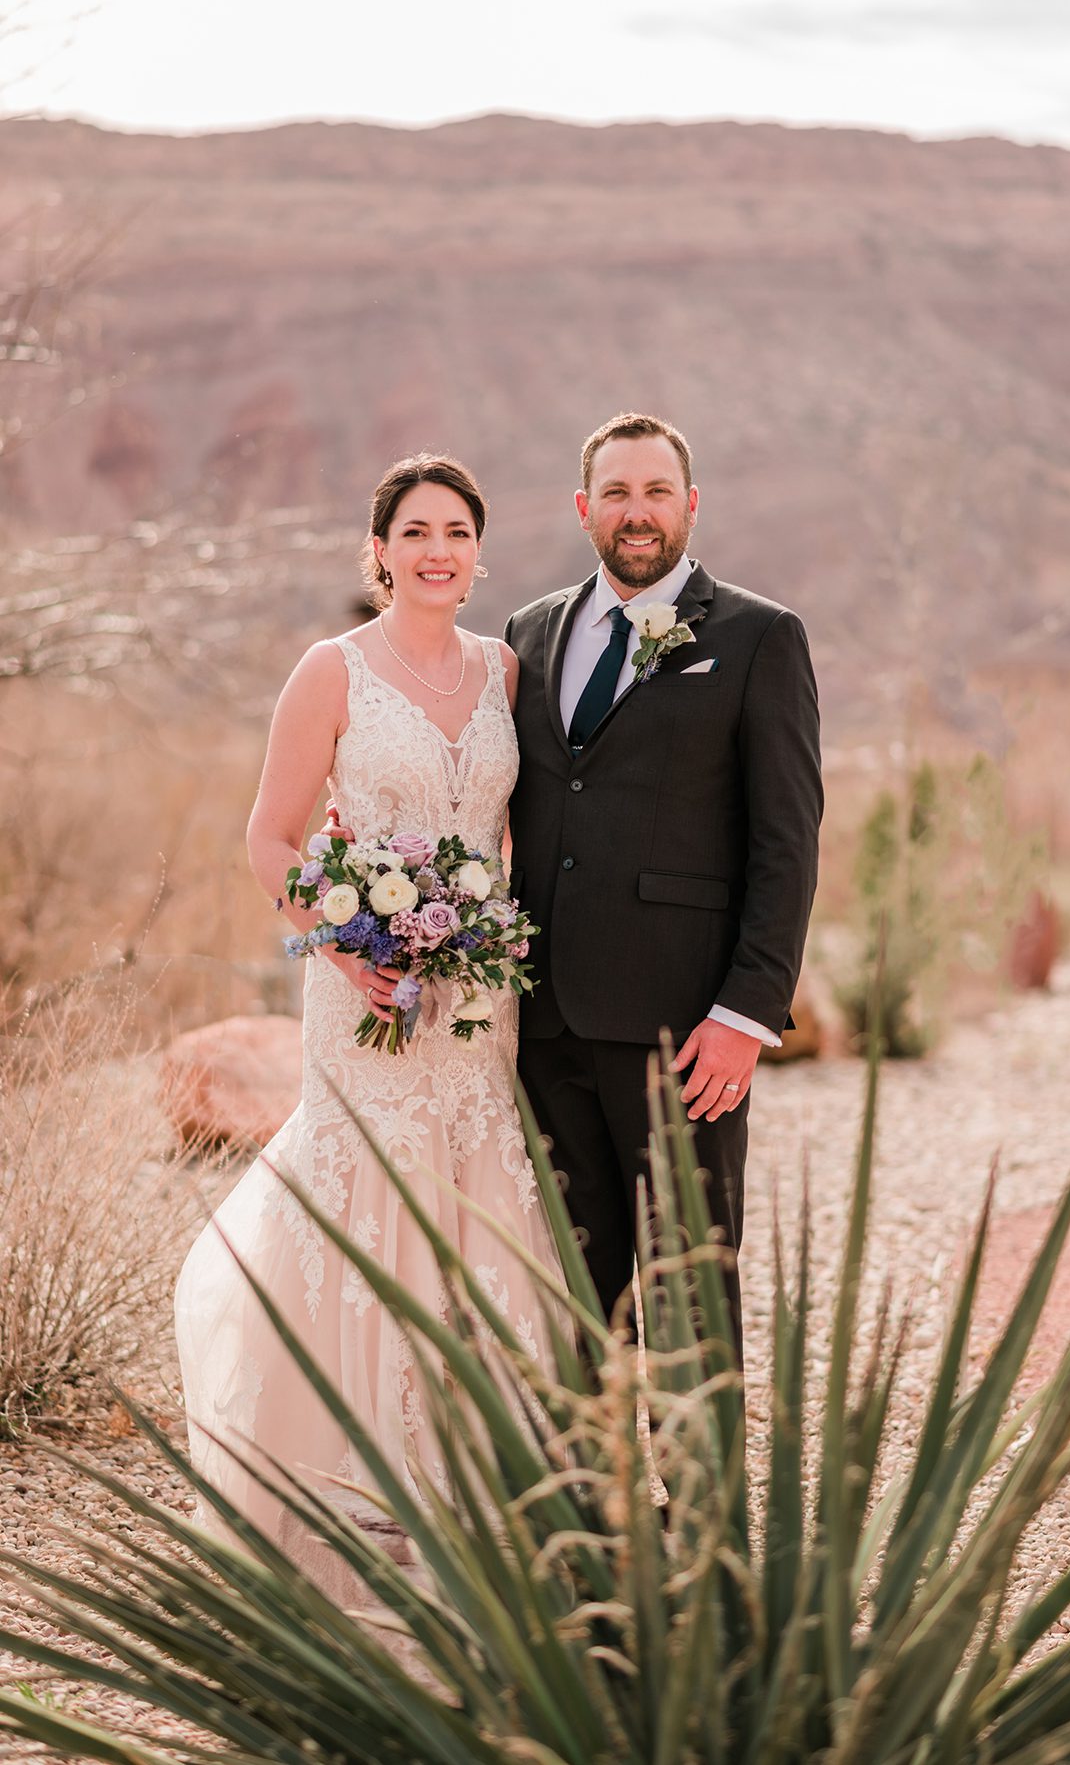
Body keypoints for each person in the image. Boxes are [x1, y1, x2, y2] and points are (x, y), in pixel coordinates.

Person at [174, 454, 565, 1574]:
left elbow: (513, 834)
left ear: (478, 552)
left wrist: (479, 934)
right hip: (365, 993)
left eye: (456, 531)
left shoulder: (506, 671)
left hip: (479, 994)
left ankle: (473, 1487)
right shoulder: (331, 670)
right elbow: (270, 837)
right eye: (415, 531)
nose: (437, 549)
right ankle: (345, 1489)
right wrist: (349, 949)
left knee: (476, 1202)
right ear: (381, 550)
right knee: (367, 1201)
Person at [504, 412, 822, 1357]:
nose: (635, 513)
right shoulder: (529, 632)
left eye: (654, 493)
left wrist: (747, 1012)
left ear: (690, 506)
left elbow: (787, 840)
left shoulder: (762, 637)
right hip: (547, 1026)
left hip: (686, 1039)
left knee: (690, 1300)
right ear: (582, 508)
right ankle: (593, 1504)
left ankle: (699, 1508)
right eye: (615, 493)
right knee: (574, 1301)